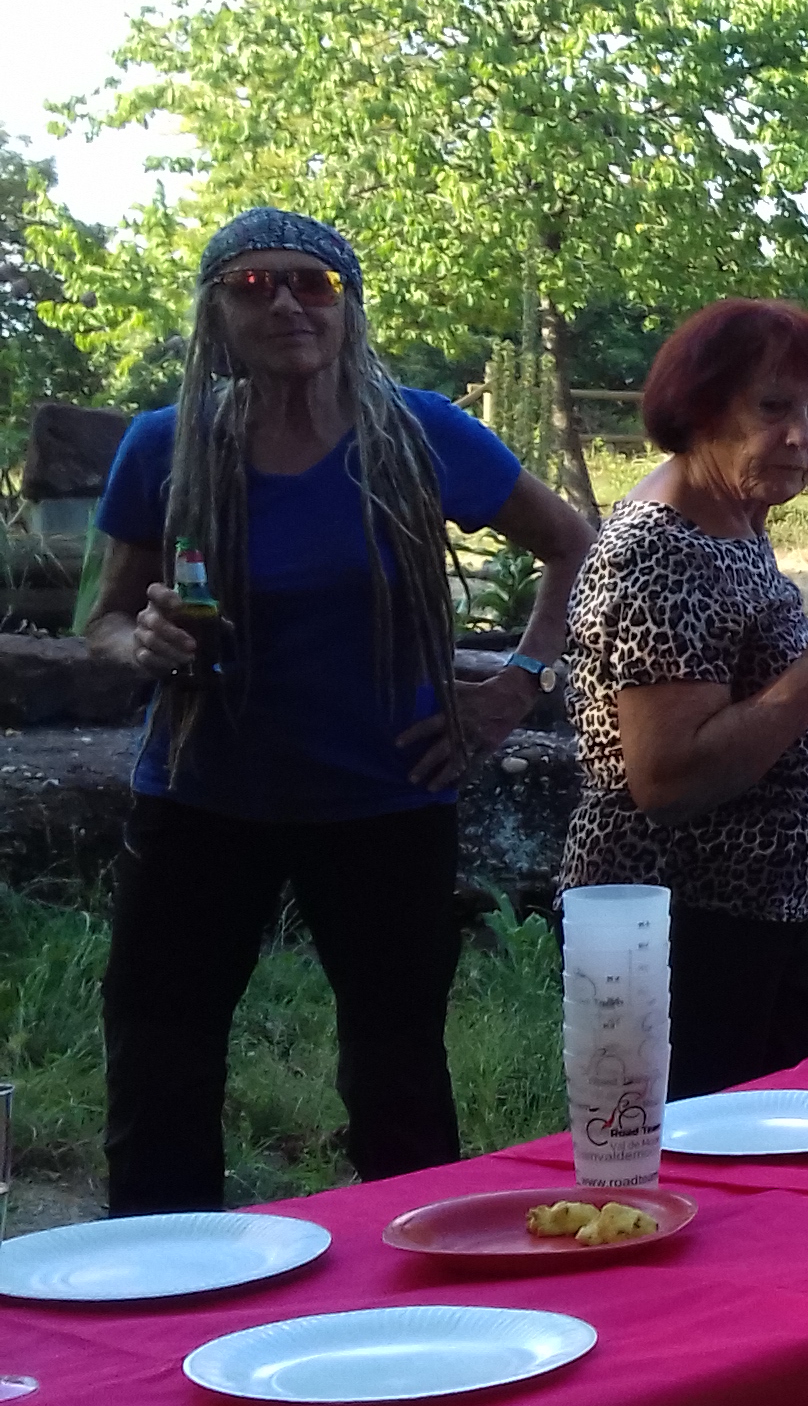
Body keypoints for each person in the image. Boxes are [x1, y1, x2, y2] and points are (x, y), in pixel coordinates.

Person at [86, 208, 594, 1215]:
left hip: (384, 799)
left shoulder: (420, 434)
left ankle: (418, 1266)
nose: (286, 302)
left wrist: (518, 686)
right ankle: (158, 1273)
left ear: (348, 306)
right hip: (201, 796)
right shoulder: (166, 446)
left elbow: (574, 543)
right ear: (215, 312)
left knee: (396, 1067)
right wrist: (137, 642)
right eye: (253, 284)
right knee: (160, 1058)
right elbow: (104, 620)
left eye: (312, 282)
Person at [562, 299, 808, 1100]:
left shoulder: (733, 521)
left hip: (751, 923)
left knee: (787, 1153)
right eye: (772, 407)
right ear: (701, 407)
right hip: (679, 929)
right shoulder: (661, 551)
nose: (801, 436)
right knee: (703, 1161)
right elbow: (669, 781)